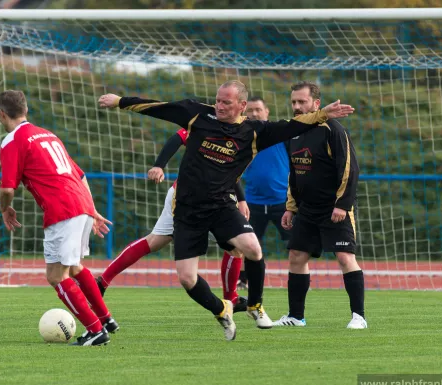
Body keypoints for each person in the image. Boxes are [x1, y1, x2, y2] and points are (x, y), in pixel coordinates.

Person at [98, 80, 354, 340]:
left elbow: (291, 126)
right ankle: (221, 309)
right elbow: (161, 107)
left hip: (221, 205)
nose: (219, 106)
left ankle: (254, 304)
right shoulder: (198, 114)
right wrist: (121, 102)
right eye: (218, 100)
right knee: (187, 278)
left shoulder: (254, 132)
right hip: (187, 209)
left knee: (252, 248)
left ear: (242, 105)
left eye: (226, 102)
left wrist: (323, 114)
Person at [0, 90, 118, 346]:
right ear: (26, 110)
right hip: (82, 204)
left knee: (55, 275)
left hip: (62, 209)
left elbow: (7, 189)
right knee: (74, 267)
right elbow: (81, 175)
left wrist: (5, 208)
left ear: (0, 113)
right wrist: (92, 209)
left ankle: (96, 331)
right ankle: (106, 319)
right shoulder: (48, 135)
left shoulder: (12, 140)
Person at [96, 127, 249, 312]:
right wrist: (159, 164)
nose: (221, 106)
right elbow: (177, 138)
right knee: (158, 242)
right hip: (187, 197)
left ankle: (102, 282)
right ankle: (101, 282)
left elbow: (232, 170)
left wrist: (241, 199)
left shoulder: (242, 133)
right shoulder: (207, 123)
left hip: (214, 197)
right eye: (220, 101)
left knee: (235, 246)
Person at [272, 81, 367, 329]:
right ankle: (296, 316)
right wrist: (291, 207)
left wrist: (342, 205)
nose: (296, 106)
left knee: (345, 258)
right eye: (293, 102)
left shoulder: (333, 129)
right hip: (307, 210)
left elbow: (350, 169)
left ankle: (359, 317)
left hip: (334, 208)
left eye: (302, 102)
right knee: (296, 256)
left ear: (316, 104)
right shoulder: (293, 132)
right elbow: (295, 173)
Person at [237, 97, 291, 290]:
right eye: (250, 109)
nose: (254, 113)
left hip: (282, 202)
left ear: (267, 111)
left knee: (296, 244)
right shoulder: (241, 137)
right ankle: (243, 279)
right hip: (252, 202)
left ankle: (299, 278)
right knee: (245, 243)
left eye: (258, 109)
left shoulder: (280, 135)